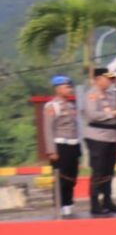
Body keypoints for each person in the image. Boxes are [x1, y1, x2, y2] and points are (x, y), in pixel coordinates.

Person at [79, 68, 116, 217]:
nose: (110, 81)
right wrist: (113, 113)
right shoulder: (91, 94)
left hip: (111, 136)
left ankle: (107, 201)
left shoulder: (110, 95)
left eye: (111, 79)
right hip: (97, 137)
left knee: (109, 170)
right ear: (98, 79)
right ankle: (95, 204)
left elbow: (113, 113)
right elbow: (92, 115)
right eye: (107, 78)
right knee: (99, 170)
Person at [42, 76, 80, 219]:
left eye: (70, 87)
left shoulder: (71, 106)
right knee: (60, 178)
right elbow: (48, 129)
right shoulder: (52, 106)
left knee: (71, 177)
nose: (69, 89)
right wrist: (51, 151)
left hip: (73, 144)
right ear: (58, 89)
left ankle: (68, 204)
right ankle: (59, 205)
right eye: (66, 87)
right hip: (60, 145)